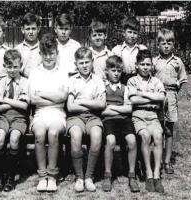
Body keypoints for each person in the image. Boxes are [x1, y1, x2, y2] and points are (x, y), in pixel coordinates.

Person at [28, 33, 69, 192]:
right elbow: (33, 98)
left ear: (56, 53)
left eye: (51, 53)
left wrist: (43, 94)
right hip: (40, 113)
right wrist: (54, 97)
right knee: (39, 135)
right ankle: (42, 176)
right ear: (40, 54)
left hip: (58, 113)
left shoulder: (62, 72)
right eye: (45, 54)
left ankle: (52, 176)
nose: (48, 57)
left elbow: (63, 97)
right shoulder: (35, 73)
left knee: (52, 133)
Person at [66, 47, 106, 192]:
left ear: (92, 62)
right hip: (75, 117)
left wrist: (81, 102)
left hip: (93, 117)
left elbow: (102, 104)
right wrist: (91, 104)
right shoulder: (72, 80)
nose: (84, 65)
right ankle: (79, 177)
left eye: (87, 62)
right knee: (76, 136)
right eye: (81, 62)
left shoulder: (98, 80)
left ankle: (89, 176)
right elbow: (70, 107)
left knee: (96, 135)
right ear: (76, 64)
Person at [127, 49, 165, 193]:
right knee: (145, 136)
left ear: (151, 66)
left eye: (148, 64)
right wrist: (151, 98)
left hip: (153, 116)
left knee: (158, 136)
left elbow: (161, 97)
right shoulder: (132, 80)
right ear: (137, 65)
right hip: (138, 116)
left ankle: (156, 175)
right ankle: (148, 173)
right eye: (142, 64)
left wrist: (141, 93)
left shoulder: (156, 81)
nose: (145, 67)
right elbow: (133, 100)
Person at [0, 49, 30, 192]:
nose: (13, 70)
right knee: (0, 137)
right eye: (9, 67)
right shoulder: (2, 82)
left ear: (20, 65)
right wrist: (15, 101)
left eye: (16, 66)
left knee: (14, 138)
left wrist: (6, 100)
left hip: (19, 118)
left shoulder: (25, 82)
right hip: (3, 117)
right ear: (5, 66)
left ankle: (10, 175)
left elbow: (25, 106)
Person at [101, 55, 139, 193]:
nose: (116, 73)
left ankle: (132, 175)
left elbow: (128, 109)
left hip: (124, 120)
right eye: (113, 70)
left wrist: (112, 108)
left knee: (132, 140)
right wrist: (116, 109)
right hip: (108, 120)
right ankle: (107, 175)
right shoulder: (102, 87)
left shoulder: (125, 88)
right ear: (107, 71)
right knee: (110, 141)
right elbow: (101, 110)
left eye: (118, 71)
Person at [152, 28, 187, 174]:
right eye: (163, 43)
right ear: (158, 44)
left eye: (169, 43)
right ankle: (158, 160)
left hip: (171, 96)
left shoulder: (177, 61)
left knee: (169, 130)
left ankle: (167, 161)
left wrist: (173, 94)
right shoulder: (154, 61)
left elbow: (182, 80)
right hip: (158, 96)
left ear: (173, 45)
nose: (166, 46)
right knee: (158, 128)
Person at [111, 16, 147, 85]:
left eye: (135, 33)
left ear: (138, 34)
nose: (132, 35)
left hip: (138, 82)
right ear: (124, 33)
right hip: (121, 81)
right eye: (129, 32)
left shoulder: (142, 49)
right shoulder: (117, 50)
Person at [14, 13, 42, 78]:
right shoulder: (17, 50)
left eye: (33, 28)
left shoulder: (44, 49)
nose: (31, 32)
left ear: (38, 29)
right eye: (28, 29)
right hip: (22, 83)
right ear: (22, 30)